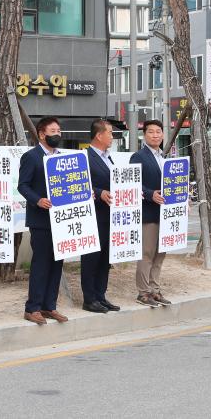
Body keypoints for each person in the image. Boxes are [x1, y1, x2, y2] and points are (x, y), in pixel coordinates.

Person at [19, 116, 69, 325]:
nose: (57, 134)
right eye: (53, 131)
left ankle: (50, 306)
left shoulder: (62, 158)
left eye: (59, 130)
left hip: (61, 220)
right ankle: (33, 308)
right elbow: (23, 186)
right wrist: (37, 200)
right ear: (41, 134)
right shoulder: (32, 156)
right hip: (41, 221)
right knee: (40, 264)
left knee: (57, 264)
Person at [129, 120, 171, 308]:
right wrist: (149, 194)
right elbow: (132, 183)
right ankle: (143, 291)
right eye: (151, 132)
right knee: (146, 253)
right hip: (147, 212)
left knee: (160, 254)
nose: (155, 135)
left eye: (158, 132)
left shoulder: (165, 158)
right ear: (144, 135)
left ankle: (155, 289)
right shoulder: (138, 157)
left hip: (167, 214)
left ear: (163, 135)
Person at [81, 119, 120, 314]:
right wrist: (98, 191)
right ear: (99, 135)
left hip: (109, 215)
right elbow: (79, 184)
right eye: (110, 133)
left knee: (105, 258)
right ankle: (89, 299)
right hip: (93, 216)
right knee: (91, 258)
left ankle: (100, 295)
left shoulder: (108, 157)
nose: (112, 137)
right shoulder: (85, 156)